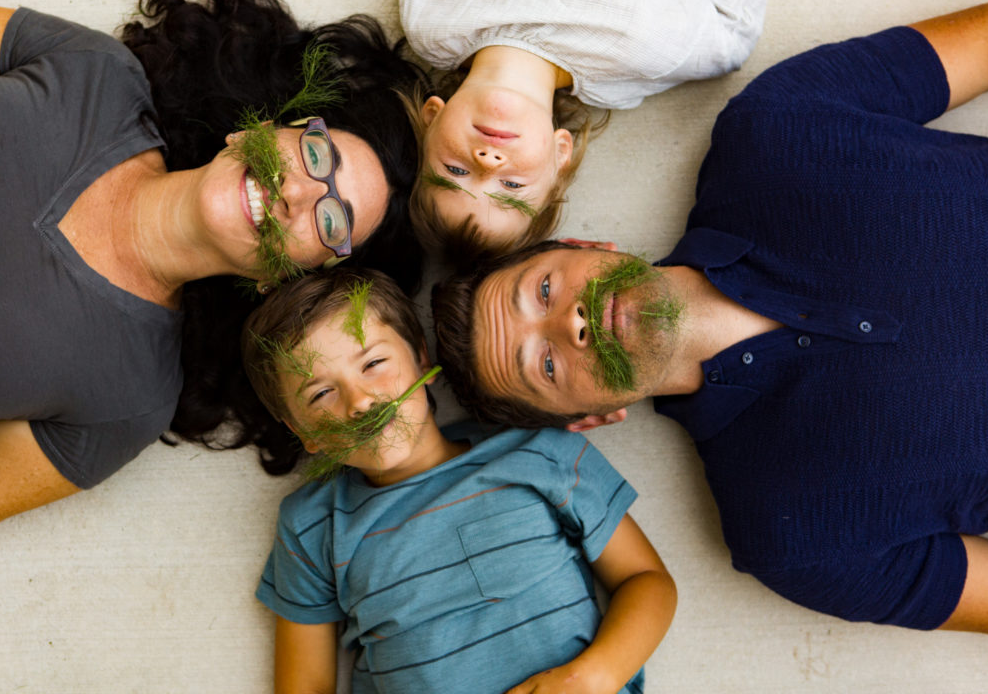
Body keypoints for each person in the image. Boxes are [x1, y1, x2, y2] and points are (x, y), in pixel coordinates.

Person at [431, 1, 988, 636]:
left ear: (585, 250)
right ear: (588, 420)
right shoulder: (791, 538)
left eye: (541, 293)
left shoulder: (774, 131)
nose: (571, 326)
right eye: (543, 364)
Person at [0, 0, 426, 545]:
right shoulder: (96, 74)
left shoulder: (127, 403)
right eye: (318, 156)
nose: (299, 191)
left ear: (282, 279)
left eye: (332, 220)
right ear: (259, 128)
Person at [242, 268, 676, 693]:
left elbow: (646, 579)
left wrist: (595, 677)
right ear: (301, 433)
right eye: (321, 394)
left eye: (373, 363)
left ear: (420, 356)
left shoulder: (536, 451)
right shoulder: (311, 525)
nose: (359, 402)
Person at [397, 0, 767, 257]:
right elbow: (731, 35)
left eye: (456, 170)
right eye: (511, 184)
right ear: (561, 154)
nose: (487, 161)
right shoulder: (638, 55)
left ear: (431, 117)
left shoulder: (431, 25)